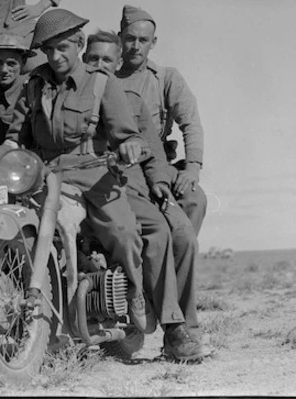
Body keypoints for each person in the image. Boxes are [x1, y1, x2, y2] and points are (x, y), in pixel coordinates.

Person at [0, 8, 152, 333]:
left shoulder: (101, 84)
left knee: (124, 233)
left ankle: (134, 293)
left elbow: (128, 135)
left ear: (78, 43)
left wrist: (130, 147)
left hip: (94, 176)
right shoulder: (34, 87)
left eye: (61, 47)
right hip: (46, 176)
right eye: (48, 49)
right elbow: (13, 144)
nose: (55, 55)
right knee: (15, 225)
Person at [84, 30, 210, 360]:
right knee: (158, 232)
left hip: (132, 185)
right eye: (93, 59)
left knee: (178, 234)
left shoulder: (134, 101)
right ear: (83, 60)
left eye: (107, 61)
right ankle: (168, 318)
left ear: (117, 63)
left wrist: (162, 184)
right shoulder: (72, 96)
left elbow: (153, 151)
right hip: (90, 187)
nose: (99, 67)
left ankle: (176, 326)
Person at [115, 5, 208, 236]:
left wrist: (192, 168)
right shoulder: (105, 77)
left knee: (194, 199)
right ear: (119, 39)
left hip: (156, 163)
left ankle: (177, 268)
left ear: (153, 43)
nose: (136, 46)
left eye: (143, 40)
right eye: (130, 39)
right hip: (114, 163)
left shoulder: (165, 79)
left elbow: (191, 123)